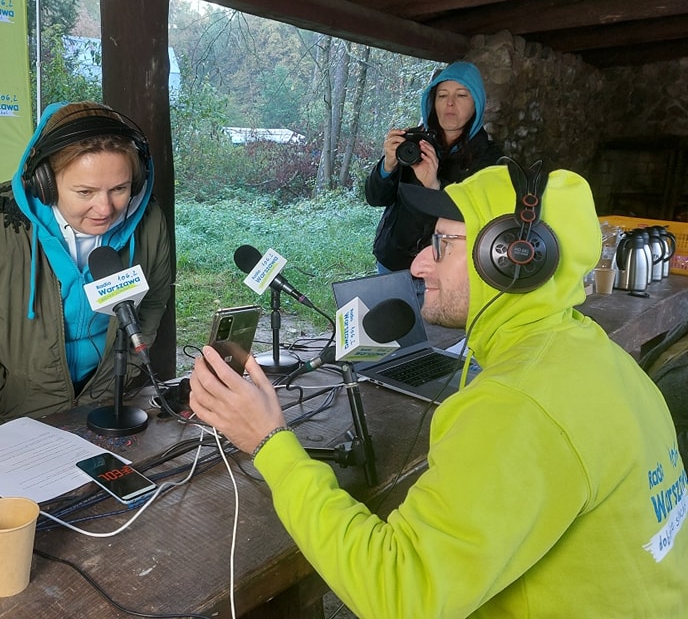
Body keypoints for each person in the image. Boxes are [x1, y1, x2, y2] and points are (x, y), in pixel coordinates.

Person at [189, 162, 688, 617]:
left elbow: (399, 594)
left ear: (510, 258)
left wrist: (270, 442)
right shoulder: (594, 354)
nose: (419, 265)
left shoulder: (517, 406)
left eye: (442, 245)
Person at [0, 101, 173, 433]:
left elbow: (152, 301)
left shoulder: (148, 221)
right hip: (10, 413)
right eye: (85, 191)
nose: (105, 208)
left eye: (119, 189)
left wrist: (125, 372)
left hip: (107, 401)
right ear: (45, 182)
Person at [366, 60, 502, 273]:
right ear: (432, 101)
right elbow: (375, 198)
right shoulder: (413, 143)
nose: (450, 103)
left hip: (444, 270)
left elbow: (482, 220)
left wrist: (435, 187)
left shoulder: (490, 159)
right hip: (393, 261)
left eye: (461, 95)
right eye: (442, 95)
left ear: (477, 102)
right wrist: (388, 165)